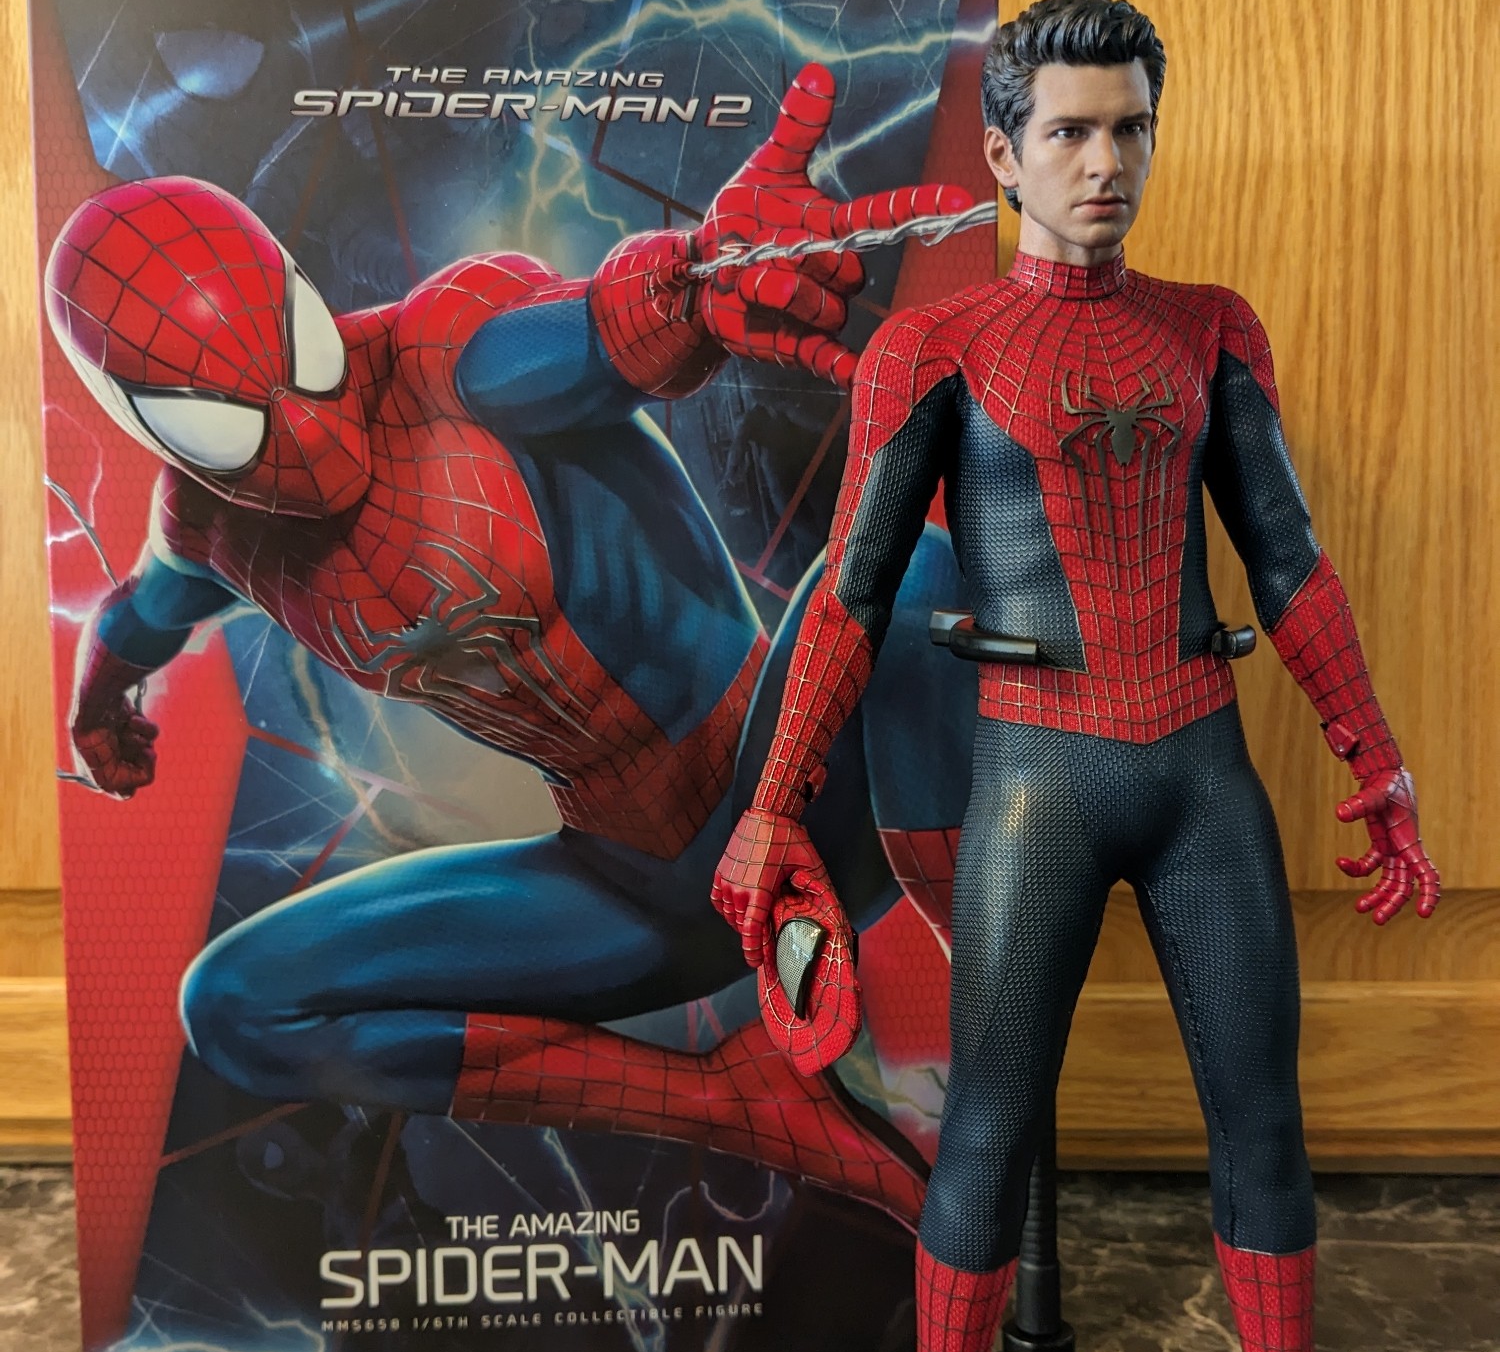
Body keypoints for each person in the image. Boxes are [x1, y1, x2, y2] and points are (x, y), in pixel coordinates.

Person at [712, 0, 1439, 1352]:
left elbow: (1286, 556)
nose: (1105, 164)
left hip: (1199, 771)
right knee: (981, 1136)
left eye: (1131, 130)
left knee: (1265, 1129)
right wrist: (769, 805)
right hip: (1034, 773)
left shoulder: (1209, 330)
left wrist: (1373, 754)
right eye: (1070, 132)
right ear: (1003, 151)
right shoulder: (938, 348)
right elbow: (850, 595)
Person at [48, 66, 977, 1233]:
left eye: (297, 350)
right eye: (217, 418)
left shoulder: (447, 357)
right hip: (628, 894)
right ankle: (726, 1101)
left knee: (913, 569)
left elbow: (598, 330)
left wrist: (703, 277)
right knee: (234, 1004)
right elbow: (140, 611)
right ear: (153, 426)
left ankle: (989, 1016)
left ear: (292, 288)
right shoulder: (216, 527)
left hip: (798, 807)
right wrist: (99, 698)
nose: (308, 428)